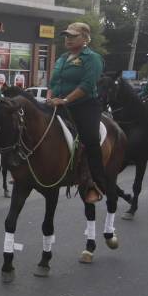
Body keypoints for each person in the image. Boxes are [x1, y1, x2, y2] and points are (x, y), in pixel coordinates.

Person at [47, 22, 107, 203]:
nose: (68, 39)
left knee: (90, 139)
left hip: (85, 106)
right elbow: (54, 82)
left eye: (73, 36)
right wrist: (50, 96)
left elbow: (87, 85)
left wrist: (65, 100)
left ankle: (94, 182)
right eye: (67, 36)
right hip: (58, 104)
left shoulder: (92, 58)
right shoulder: (62, 58)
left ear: (85, 38)